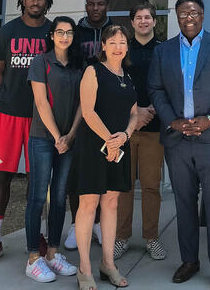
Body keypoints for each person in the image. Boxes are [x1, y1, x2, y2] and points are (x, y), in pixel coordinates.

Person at [147, 0, 210, 290]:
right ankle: (189, 260)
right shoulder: (163, 51)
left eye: (194, 13)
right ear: (176, 16)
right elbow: (155, 88)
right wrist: (171, 121)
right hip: (177, 138)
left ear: (203, 15)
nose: (189, 18)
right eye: (183, 13)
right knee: (184, 203)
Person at [0, 0, 56, 268]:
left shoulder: (52, 32)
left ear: (47, 2)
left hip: (41, 117)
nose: (35, 2)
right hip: (9, 113)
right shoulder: (7, 32)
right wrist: (17, 94)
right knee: (3, 175)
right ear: (22, 1)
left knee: (38, 181)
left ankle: (37, 236)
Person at [70, 25, 139, 290]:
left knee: (111, 203)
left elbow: (134, 113)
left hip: (120, 147)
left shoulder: (127, 75)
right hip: (94, 147)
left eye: (122, 42)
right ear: (103, 46)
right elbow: (88, 112)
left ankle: (108, 263)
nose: (118, 46)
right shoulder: (93, 71)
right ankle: (84, 268)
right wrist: (110, 139)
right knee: (88, 204)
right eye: (113, 41)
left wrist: (125, 136)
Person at [24, 16, 82, 282]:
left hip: (67, 141)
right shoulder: (41, 62)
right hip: (42, 139)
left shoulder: (78, 66)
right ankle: (34, 257)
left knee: (59, 198)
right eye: (60, 32)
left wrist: (69, 136)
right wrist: (58, 136)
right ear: (51, 35)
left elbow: (84, 104)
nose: (64, 36)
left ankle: (53, 253)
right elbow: (41, 102)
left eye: (69, 32)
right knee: (38, 198)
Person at [114, 3, 167, 262]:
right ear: (132, 22)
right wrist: (136, 114)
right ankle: (121, 238)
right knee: (123, 186)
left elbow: (170, 86)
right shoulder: (122, 50)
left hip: (154, 129)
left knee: (150, 186)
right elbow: (115, 86)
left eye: (148, 17)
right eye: (139, 17)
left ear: (154, 22)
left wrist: (151, 111)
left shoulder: (164, 50)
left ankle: (151, 237)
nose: (143, 21)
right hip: (125, 129)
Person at [67, 0, 113, 250]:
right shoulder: (76, 32)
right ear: (86, 6)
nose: (95, 8)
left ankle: (97, 224)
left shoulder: (115, 31)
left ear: (107, 6)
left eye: (100, 4)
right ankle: (76, 224)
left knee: (102, 168)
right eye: (91, 4)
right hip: (79, 106)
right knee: (78, 170)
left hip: (106, 108)